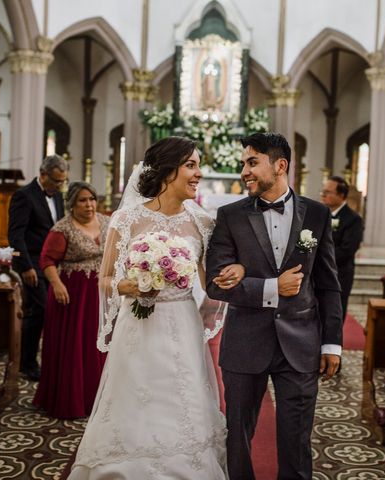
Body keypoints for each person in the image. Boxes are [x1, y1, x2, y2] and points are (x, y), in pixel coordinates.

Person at [70, 137, 244, 478]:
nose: (199, 173)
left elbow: (212, 286)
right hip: (138, 326)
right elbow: (105, 279)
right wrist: (129, 286)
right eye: (191, 165)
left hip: (182, 325)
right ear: (167, 170)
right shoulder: (126, 219)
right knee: (134, 396)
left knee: (183, 398)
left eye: (198, 164)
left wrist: (237, 273)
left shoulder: (203, 223)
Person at [206, 132, 344, 480]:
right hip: (246, 342)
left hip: (300, 341)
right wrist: (271, 288)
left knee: (297, 439)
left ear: (280, 165)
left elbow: (328, 285)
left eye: (252, 162)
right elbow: (214, 282)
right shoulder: (230, 216)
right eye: (243, 164)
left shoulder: (317, 214)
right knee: (238, 435)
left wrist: (332, 343)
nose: (244, 171)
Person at [33, 182, 109, 419]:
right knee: (76, 346)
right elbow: (46, 260)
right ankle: (73, 400)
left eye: (92, 199)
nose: (89, 205)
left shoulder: (107, 222)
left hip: (100, 292)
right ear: (72, 204)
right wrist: (56, 285)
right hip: (73, 295)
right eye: (82, 200)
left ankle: (97, 398)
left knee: (98, 344)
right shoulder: (62, 229)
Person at [8, 155, 68, 381]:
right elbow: (16, 235)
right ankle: (27, 363)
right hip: (31, 264)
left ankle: (42, 360)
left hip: (52, 264)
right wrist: (25, 266)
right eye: (56, 181)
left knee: (45, 311)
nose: (60, 186)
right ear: (43, 175)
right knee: (40, 310)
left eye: (63, 181)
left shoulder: (59, 196)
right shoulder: (24, 196)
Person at [320, 176, 363, 319]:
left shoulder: (353, 219)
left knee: (335, 312)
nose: (323, 195)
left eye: (328, 192)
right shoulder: (319, 215)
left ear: (341, 195)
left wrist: (319, 258)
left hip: (339, 273)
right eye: (323, 191)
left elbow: (347, 250)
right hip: (318, 273)